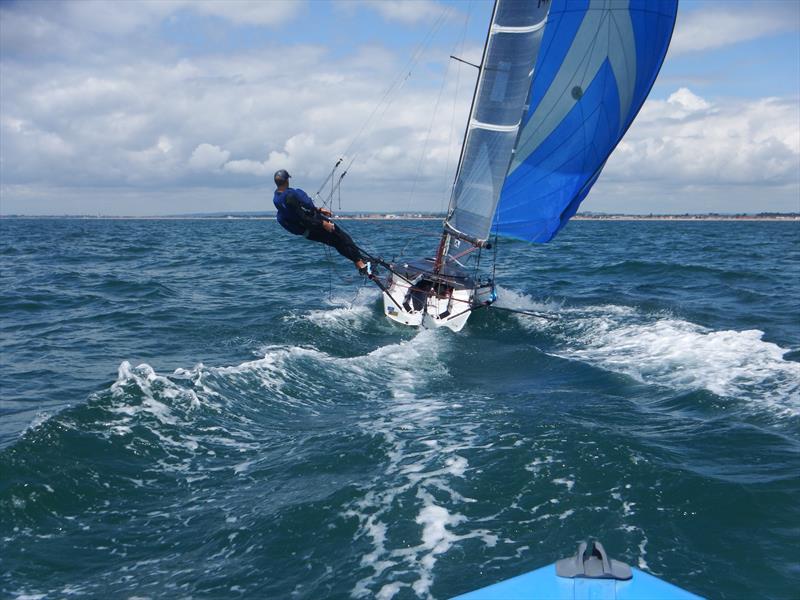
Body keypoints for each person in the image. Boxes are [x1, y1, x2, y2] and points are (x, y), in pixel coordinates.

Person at [272, 169, 371, 276]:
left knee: (337, 243)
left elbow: (296, 211)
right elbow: (304, 216)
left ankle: (360, 264)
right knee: (343, 238)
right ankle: (362, 265)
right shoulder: (290, 195)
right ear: (287, 181)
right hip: (315, 224)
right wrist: (324, 224)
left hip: (307, 232)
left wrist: (318, 210)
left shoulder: (276, 198)